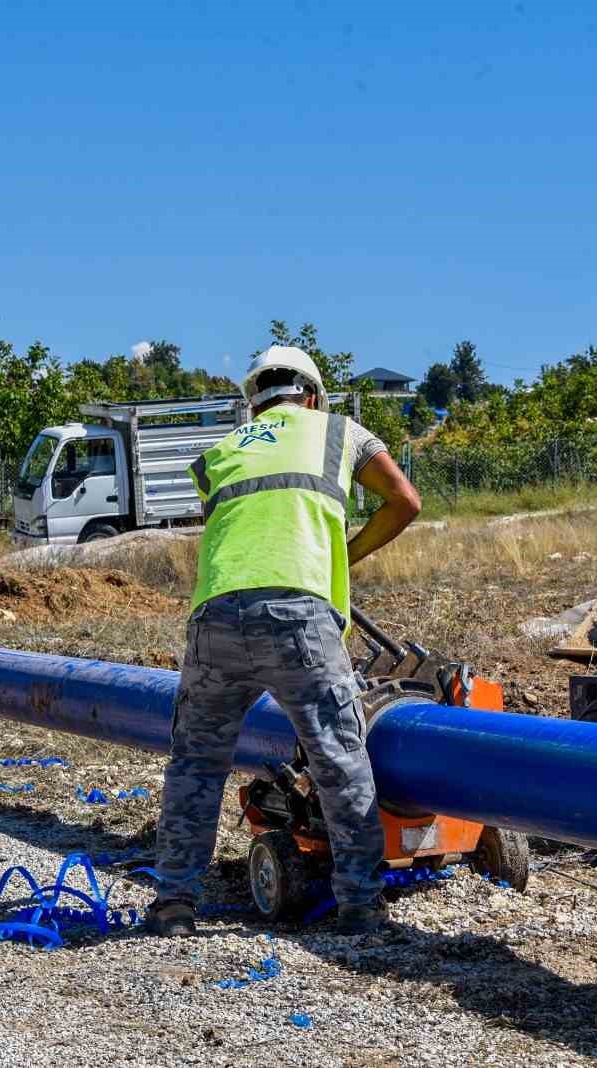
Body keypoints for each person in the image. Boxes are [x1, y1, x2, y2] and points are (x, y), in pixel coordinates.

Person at [147, 346, 422, 937]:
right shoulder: (338, 431)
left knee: (195, 764)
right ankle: (359, 905)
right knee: (338, 757)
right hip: (298, 617)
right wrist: (345, 556)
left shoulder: (221, 452)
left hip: (215, 616)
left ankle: (173, 903)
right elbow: (405, 500)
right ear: (314, 396)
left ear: (254, 405)